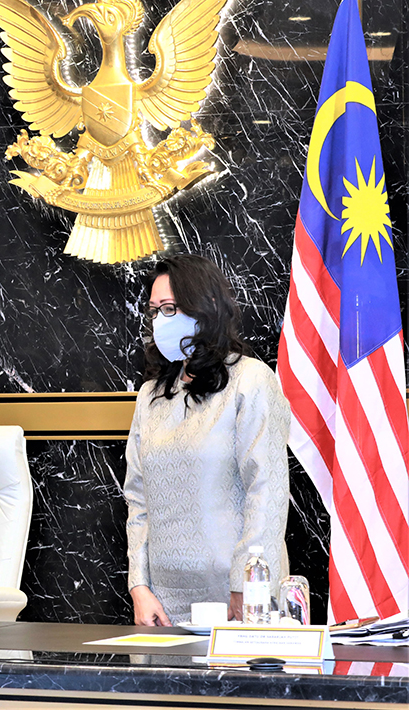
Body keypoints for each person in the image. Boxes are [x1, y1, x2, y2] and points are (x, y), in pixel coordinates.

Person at [125, 254, 290, 626]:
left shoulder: (251, 380)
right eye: (154, 311)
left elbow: (267, 489)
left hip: (239, 594)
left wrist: (247, 584)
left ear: (206, 307)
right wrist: (139, 585)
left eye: (170, 308)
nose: (160, 320)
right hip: (162, 600)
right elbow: (137, 498)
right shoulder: (150, 395)